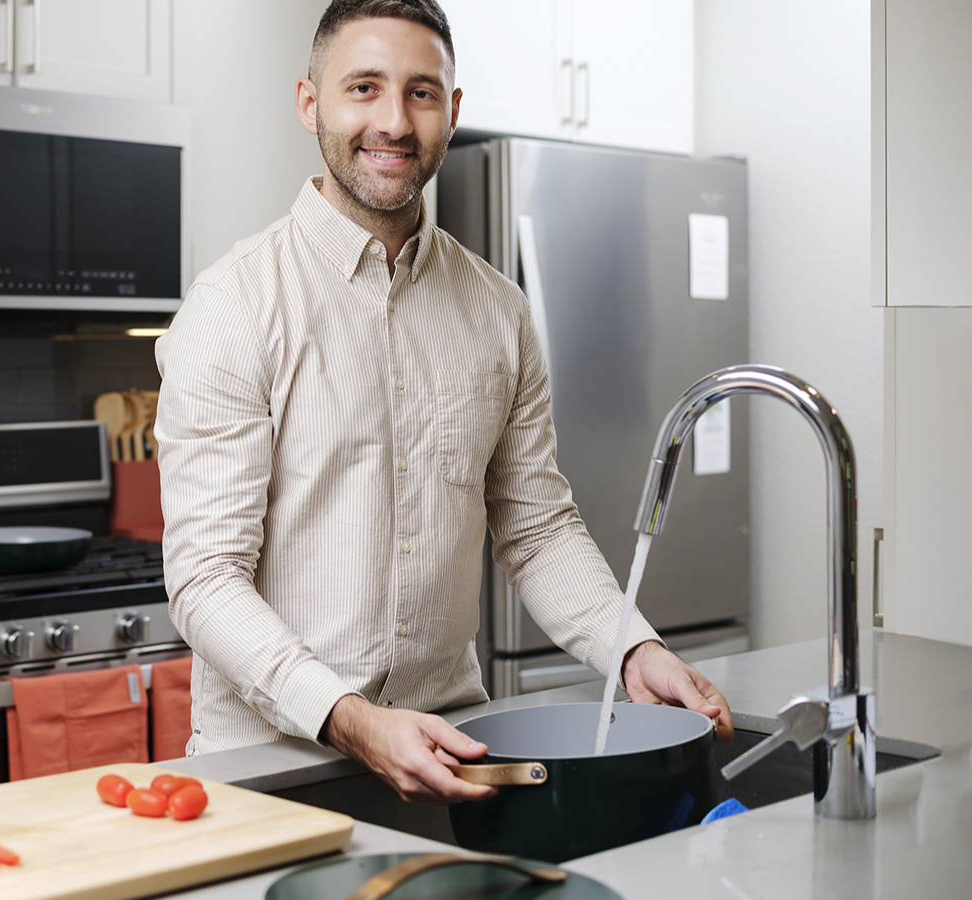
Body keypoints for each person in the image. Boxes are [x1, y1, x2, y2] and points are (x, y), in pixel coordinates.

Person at [153, 0, 734, 804]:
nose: (393, 121)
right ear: (309, 102)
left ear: (453, 112)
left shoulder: (499, 310)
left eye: (421, 93)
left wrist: (635, 651)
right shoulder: (232, 307)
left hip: (458, 765)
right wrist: (352, 717)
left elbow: (535, 527)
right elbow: (206, 579)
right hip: (268, 778)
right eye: (364, 87)